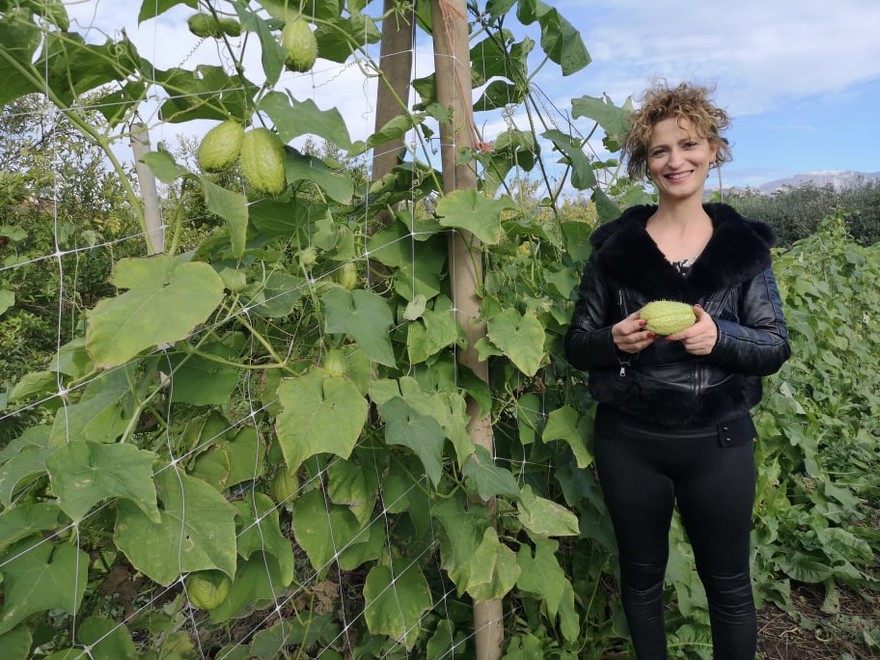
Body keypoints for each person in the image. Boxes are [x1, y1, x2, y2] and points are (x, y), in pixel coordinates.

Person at [564, 82, 791, 659]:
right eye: (660, 150)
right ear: (646, 162)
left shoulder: (743, 248)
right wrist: (612, 340)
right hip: (629, 441)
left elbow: (773, 345)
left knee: (730, 587)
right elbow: (577, 345)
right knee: (641, 582)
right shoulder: (615, 248)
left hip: (719, 441)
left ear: (712, 149)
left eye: (688, 145)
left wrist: (721, 337)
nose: (675, 160)